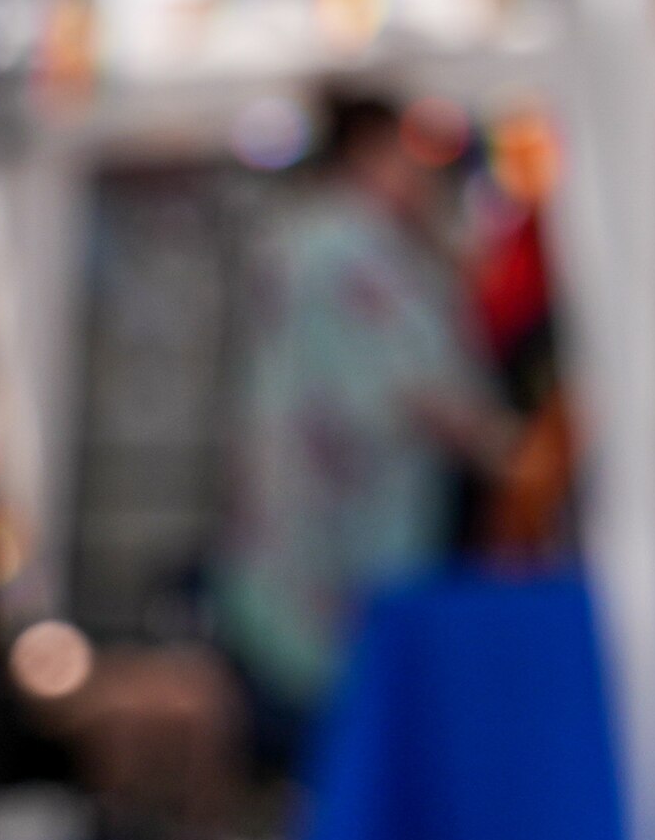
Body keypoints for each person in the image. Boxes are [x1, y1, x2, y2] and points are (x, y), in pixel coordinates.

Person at [214, 96, 518, 749]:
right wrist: (520, 457)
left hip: (293, 554)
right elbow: (428, 397)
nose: (430, 174)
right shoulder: (356, 248)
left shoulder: (297, 238)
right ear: (372, 149)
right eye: (418, 152)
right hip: (349, 566)